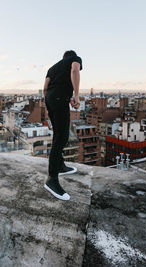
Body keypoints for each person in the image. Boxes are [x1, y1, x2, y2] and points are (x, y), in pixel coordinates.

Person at [43, 50, 82, 201]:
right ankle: (52, 179)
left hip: (51, 100)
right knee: (62, 137)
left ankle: (60, 166)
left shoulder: (52, 68)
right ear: (72, 56)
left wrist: (48, 105)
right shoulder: (75, 59)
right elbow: (74, 70)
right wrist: (76, 96)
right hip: (59, 99)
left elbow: (45, 87)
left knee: (58, 134)